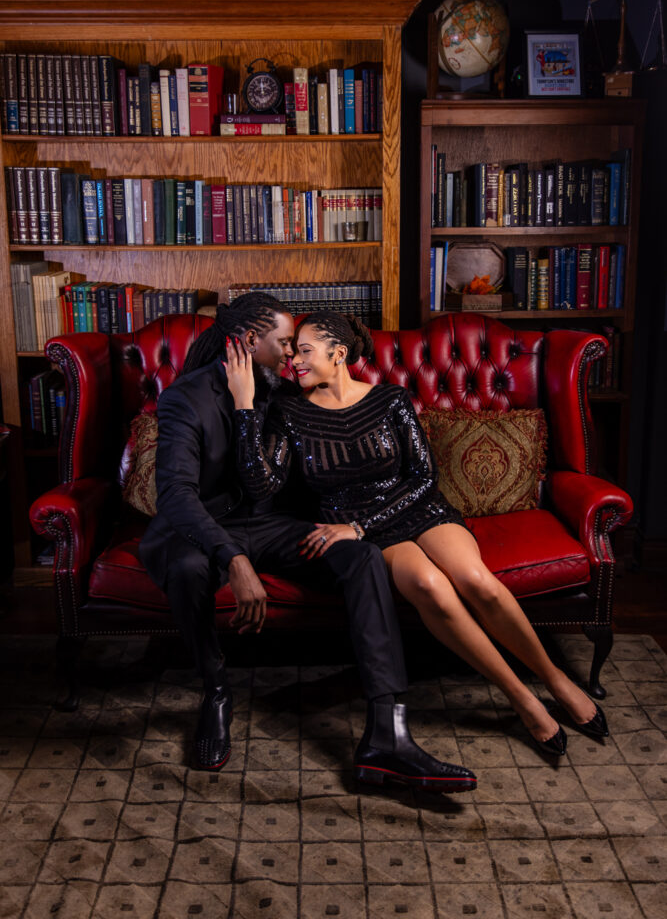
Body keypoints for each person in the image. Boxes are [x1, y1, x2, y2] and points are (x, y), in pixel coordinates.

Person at [226, 311, 609, 757]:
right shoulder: (288, 412)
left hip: (414, 510)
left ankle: (555, 681)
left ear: (339, 353)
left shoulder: (390, 400)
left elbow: (425, 478)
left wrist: (360, 525)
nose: (293, 361)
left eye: (305, 351)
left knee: (476, 582)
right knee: (430, 585)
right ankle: (520, 697)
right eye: (293, 352)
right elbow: (261, 486)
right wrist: (244, 407)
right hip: (363, 531)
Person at [139, 293, 476, 792]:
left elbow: (287, 469)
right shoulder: (185, 398)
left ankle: (387, 734)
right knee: (189, 571)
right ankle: (215, 692)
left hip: (273, 524)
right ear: (251, 341)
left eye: (299, 346)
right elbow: (176, 497)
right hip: (202, 527)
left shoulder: (283, 389)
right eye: (283, 343)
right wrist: (232, 558)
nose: (292, 354)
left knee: (361, 557)